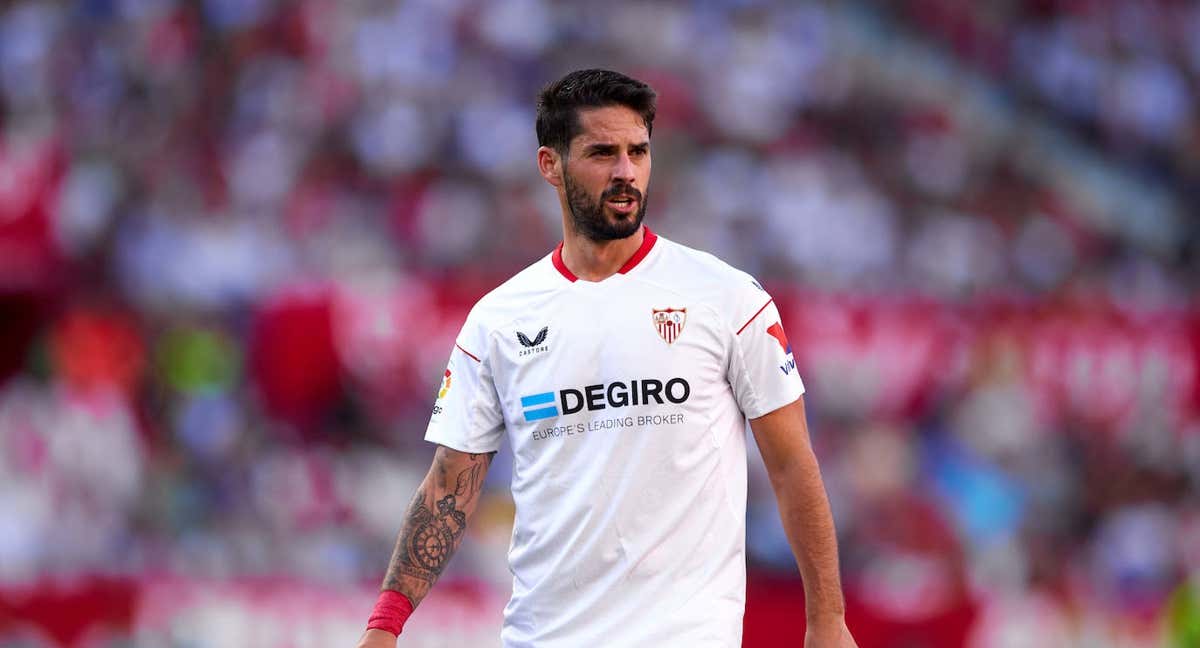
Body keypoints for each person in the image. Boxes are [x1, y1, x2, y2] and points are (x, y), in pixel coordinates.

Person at [356, 69, 857, 648]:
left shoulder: (728, 299)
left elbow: (792, 464)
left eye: (638, 152)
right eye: (602, 153)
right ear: (550, 165)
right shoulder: (498, 321)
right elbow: (449, 486)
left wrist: (827, 619)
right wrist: (384, 627)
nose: (625, 171)